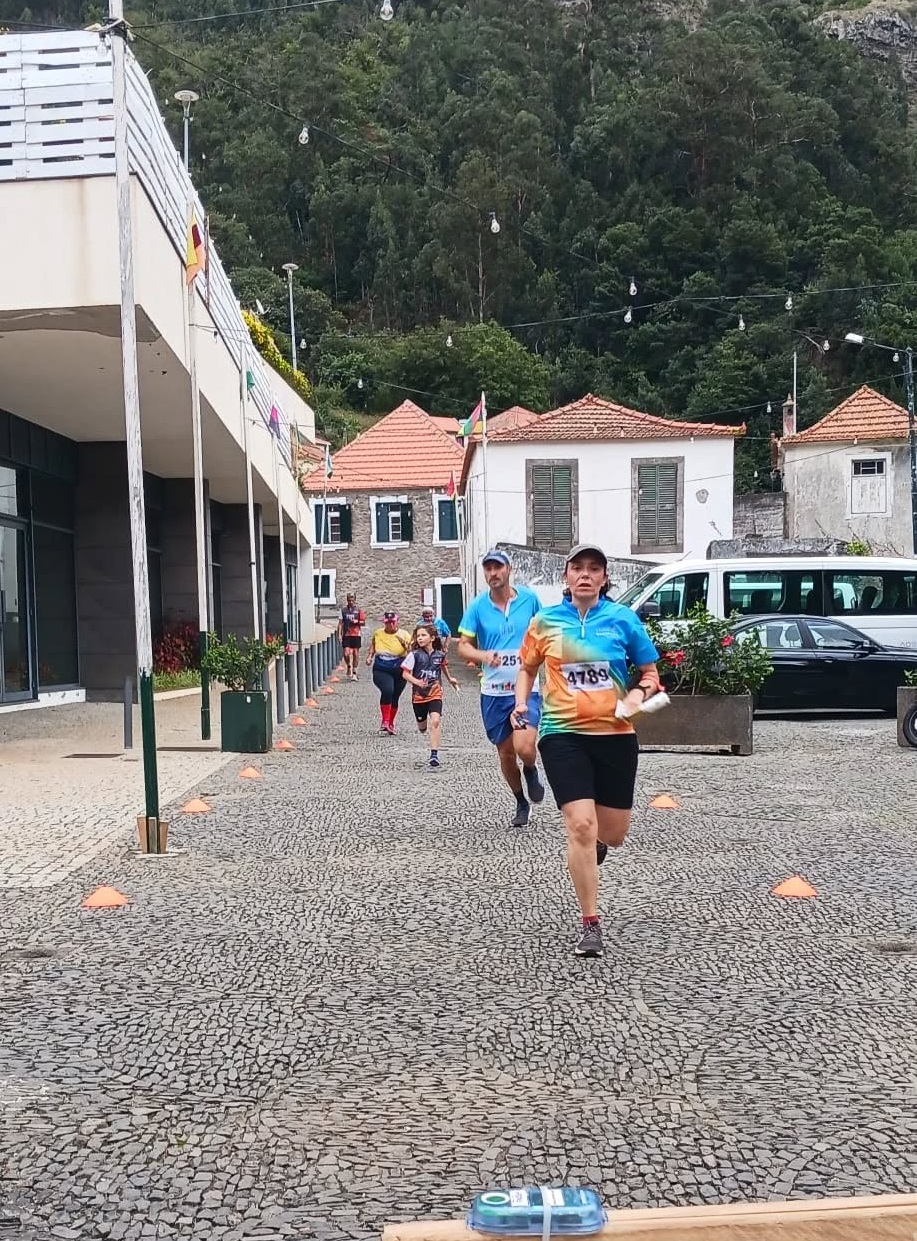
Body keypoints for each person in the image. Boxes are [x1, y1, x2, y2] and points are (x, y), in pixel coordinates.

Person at [513, 543, 662, 959]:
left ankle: (596, 846)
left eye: (594, 569)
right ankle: (590, 924)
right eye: (577, 567)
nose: (585, 574)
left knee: (612, 834)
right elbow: (527, 668)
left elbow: (651, 674)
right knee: (580, 825)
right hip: (563, 734)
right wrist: (521, 703)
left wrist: (638, 695)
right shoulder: (545, 622)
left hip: (615, 735)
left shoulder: (623, 619)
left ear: (604, 578)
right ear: (565, 576)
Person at [455, 549, 546, 827]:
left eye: (498, 567)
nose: (493, 573)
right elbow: (462, 646)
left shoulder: (529, 599)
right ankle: (521, 801)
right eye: (488, 569)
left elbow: (545, 633)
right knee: (506, 753)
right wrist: (483, 656)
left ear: (509, 569)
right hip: (494, 692)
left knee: (525, 746)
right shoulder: (477, 607)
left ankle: (530, 768)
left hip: (526, 688)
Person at [401, 624, 460, 768]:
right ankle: (421, 725)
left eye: (423, 635)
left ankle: (434, 755)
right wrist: (417, 682)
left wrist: (450, 679)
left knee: (435, 721)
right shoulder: (414, 655)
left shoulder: (439, 655)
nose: (420, 638)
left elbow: (443, 666)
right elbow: (405, 674)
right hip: (419, 696)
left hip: (435, 693)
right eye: (418, 636)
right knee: (422, 727)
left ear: (432, 638)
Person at [366, 611, 412, 734]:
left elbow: (412, 652)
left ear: (397, 622)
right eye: (387, 623)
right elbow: (373, 645)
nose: (390, 625)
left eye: (393, 622)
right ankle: (385, 721)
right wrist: (370, 656)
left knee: (395, 695)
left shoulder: (404, 634)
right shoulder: (378, 633)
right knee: (387, 690)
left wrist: (406, 645)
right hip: (382, 667)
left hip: (399, 667)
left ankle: (391, 723)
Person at [338, 592, 366, 680]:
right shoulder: (343, 610)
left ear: (355, 600)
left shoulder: (359, 610)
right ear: (347, 600)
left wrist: (357, 622)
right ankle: (349, 665)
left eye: (352, 600)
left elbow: (363, 622)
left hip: (356, 634)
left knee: (355, 653)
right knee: (346, 653)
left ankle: (354, 672)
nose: (351, 602)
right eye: (349, 600)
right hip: (346, 634)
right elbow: (340, 623)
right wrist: (339, 635)